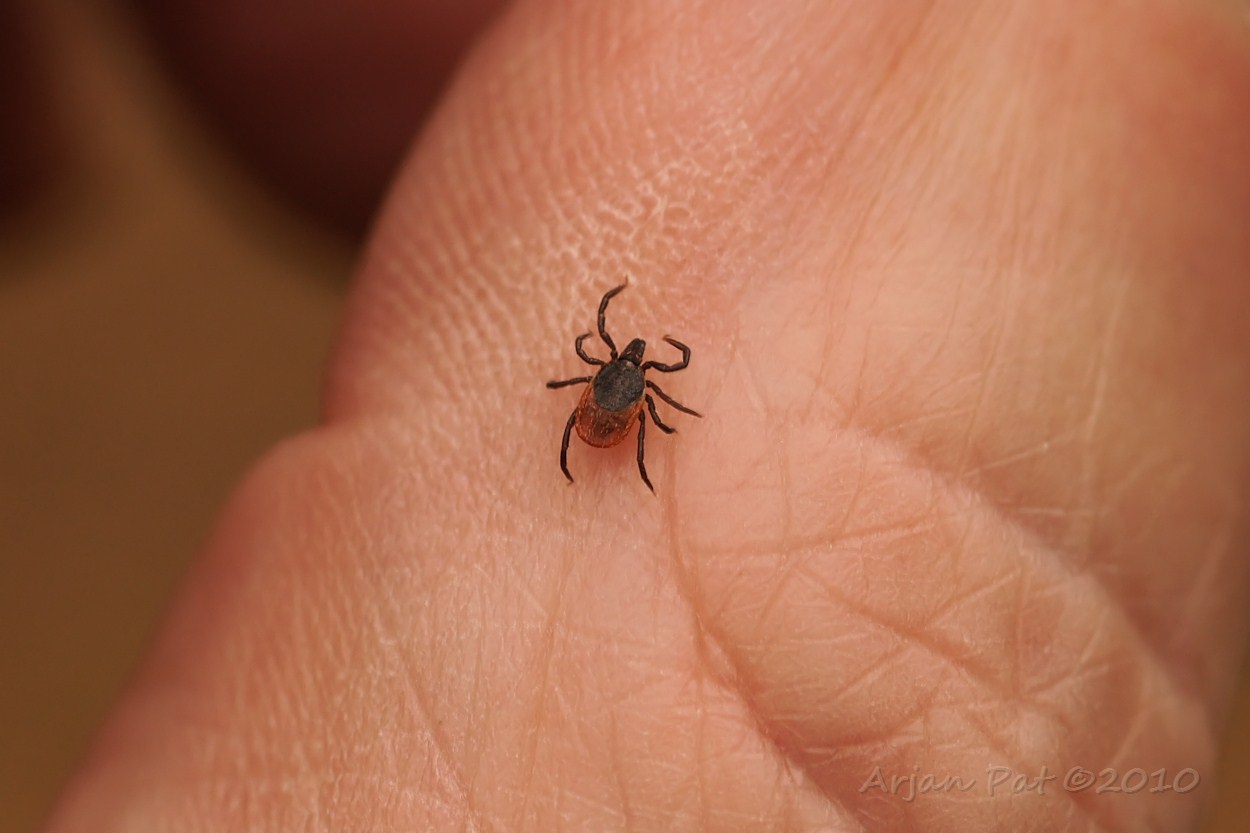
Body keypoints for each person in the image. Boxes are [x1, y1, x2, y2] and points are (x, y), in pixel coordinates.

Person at [28, 1, 1250, 831]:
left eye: (621, 376)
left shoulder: (611, 384)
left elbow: (600, 391)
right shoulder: (635, 387)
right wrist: (629, 426)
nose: (615, 384)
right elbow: (623, 391)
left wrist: (603, 430)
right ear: (620, 374)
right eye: (616, 373)